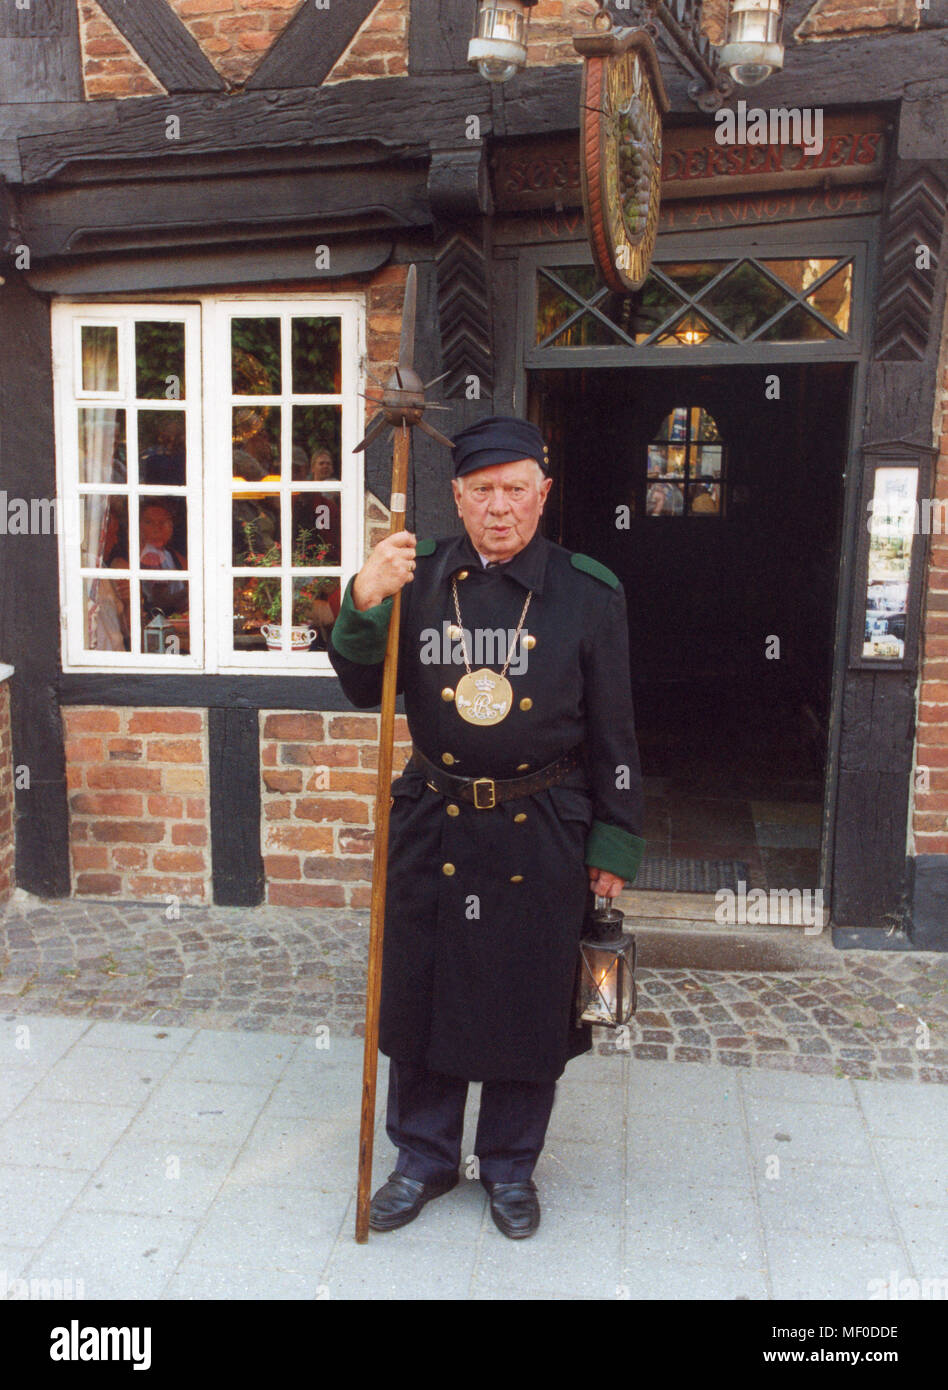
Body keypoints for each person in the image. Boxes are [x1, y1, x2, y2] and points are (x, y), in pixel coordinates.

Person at [328, 415, 645, 1239]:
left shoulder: (588, 591)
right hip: (434, 820)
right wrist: (364, 598)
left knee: (529, 1000)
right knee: (422, 992)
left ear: (543, 492)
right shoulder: (417, 578)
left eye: (514, 490)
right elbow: (365, 689)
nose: (498, 508)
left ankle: (509, 1168)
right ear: (457, 498)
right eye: (481, 492)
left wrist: (613, 841)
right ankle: (423, 1159)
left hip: (544, 825)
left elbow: (615, 730)